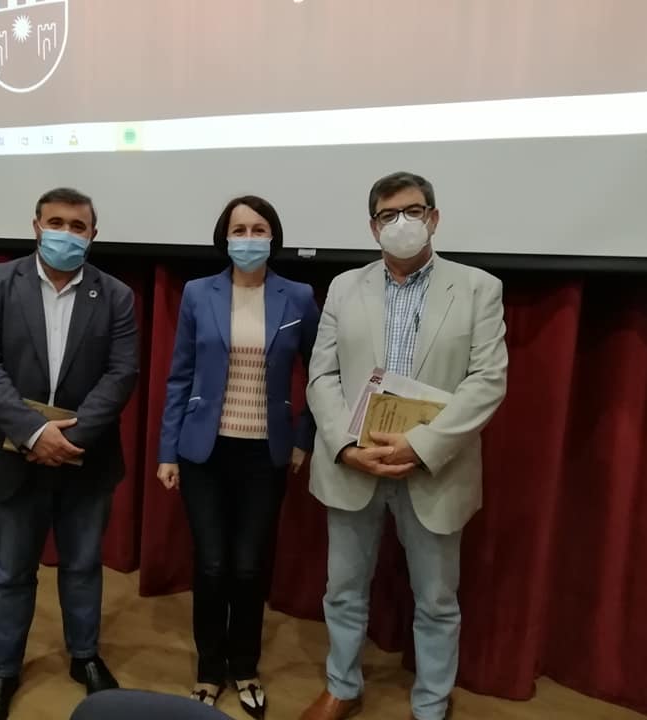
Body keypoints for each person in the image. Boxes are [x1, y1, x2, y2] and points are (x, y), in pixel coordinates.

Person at [300, 172, 508, 720]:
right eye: (388, 215)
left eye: (413, 212)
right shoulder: (344, 287)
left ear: (433, 218)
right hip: (353, 464)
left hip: (434, 468)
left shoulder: (478, 288)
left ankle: (431, 703)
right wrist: (346, 446)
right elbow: (321, 375)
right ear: (373, 227)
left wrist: (421, 446)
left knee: (436, 600)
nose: (402, 224)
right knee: (343, 590)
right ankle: (342, 686)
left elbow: (488, 381)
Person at [0, 187, 139, 720]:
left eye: (77, 226)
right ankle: (4, 669)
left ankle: (84, 657)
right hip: (12, 453)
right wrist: (35, 433)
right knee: (11, 570)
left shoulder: (117, 295)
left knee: (83, 566)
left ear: (93, 234)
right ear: (36, 226)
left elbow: (122, 372)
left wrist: (72, 438)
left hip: (87, 455)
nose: (66, 233)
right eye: (55, 222)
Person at [157, 196, 321, 718]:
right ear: (224, 237)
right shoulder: (197, 293)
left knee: (249, 567)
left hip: (265, 453)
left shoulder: (298, 296)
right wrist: (167, 451)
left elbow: (321, 374)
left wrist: (303, 438)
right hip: (203, 451)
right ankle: (209, 670)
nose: (248, 238)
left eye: (258, 229)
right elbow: (180, 375)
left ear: (273, 237)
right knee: (211, 564)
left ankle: (245, 666)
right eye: (239, 229)